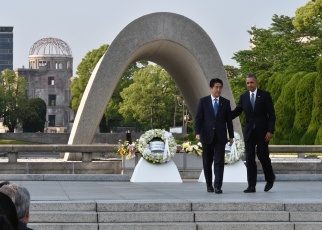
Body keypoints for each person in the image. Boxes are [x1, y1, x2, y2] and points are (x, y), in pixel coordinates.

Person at [231, 74, 276, 193]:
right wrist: (223, 115)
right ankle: (251, 186)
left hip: (263, 132)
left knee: (263, 156)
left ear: (256, 82)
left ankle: (270, 178)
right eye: (247, 83)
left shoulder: (265, 95)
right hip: (249, 132)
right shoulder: (244, 97)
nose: (249, 85)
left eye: (251, 82)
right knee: (250, 159)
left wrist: (270, 131)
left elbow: (272, 115)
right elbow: (237, 112)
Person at [195, 78, 234, 194]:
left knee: (219, 162)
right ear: (211, 88)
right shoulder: (203, 101)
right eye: (216, 87)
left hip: (220, 137)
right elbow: (199, 119)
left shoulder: (225, 102)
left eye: (220, 87)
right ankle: (209, 185)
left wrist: (231, 136)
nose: (218, 89)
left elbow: (229, 121)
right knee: (207, 162)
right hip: (206, 136)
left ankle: (218, 186)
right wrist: (197, 133)